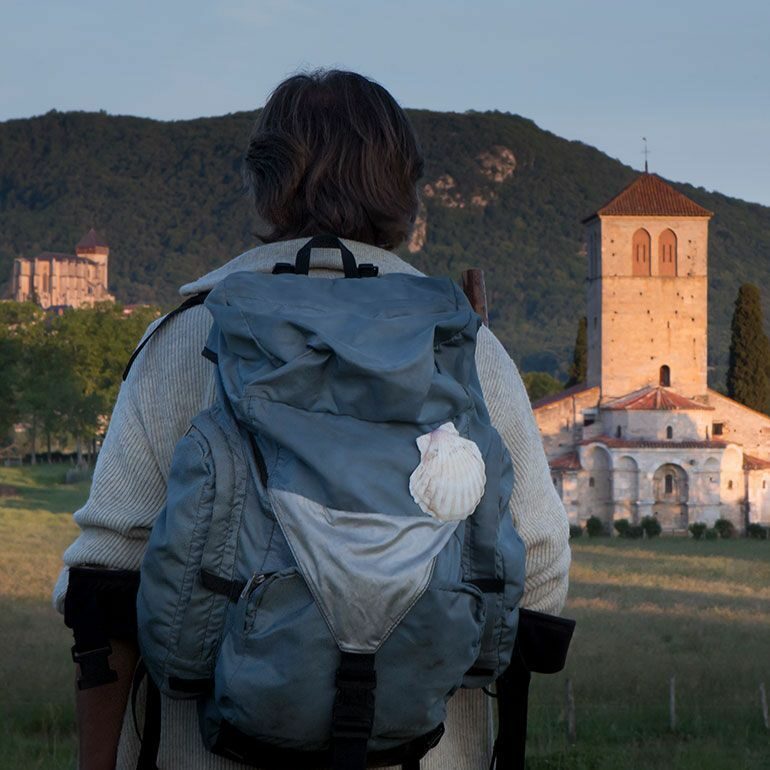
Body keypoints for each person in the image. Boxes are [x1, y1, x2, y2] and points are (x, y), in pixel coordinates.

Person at [55, 69, 570, 770]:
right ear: (406, 190)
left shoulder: (185, 336)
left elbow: (103, 582)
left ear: (264, 185)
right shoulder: (469, 348)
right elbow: (536, 569)